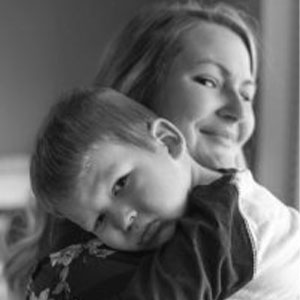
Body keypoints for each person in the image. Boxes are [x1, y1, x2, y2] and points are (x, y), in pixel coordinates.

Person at [3, 1, 298, 299]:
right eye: (209, 81)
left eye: (247, 94)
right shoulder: (88, 261)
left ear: (168, 140)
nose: (238, 111)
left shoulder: (233, 217)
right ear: (143, 86)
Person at [27, 87, 299, 300]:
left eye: (120, 184)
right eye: (100, 220)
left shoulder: (221, 222)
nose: (124, 220)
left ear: (168, 142)